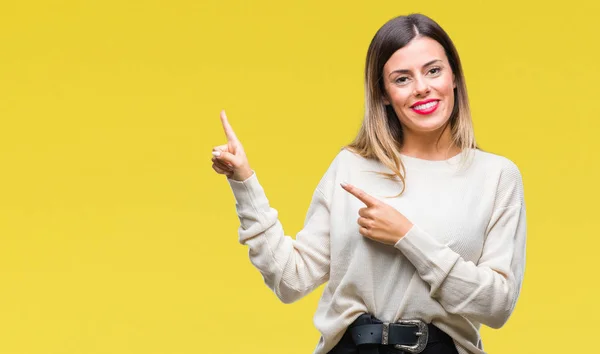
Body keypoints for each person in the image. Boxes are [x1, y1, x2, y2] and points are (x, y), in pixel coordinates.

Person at [210, 13, 526, 354]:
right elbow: (291, 280)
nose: (422, 87)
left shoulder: (495, 176)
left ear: (454, 78)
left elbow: (497, 305)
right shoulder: (352, 166)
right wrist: (244, 182)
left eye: (433, 70)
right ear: (384, 94)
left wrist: (407, 236)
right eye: (402, 78)